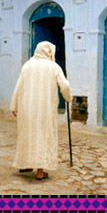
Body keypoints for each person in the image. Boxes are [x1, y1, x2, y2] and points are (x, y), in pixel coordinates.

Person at [9, 41, 72, 180]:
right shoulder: (53, 67)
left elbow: (19, 86)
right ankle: (40, 172)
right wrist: (68, 98)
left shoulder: (27, 66)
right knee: (42, 135)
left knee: (28, 134)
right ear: (49, 52)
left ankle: (25, 164)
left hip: (27, 108)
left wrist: (14, 106)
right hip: (45, 109)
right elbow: (65, 86)